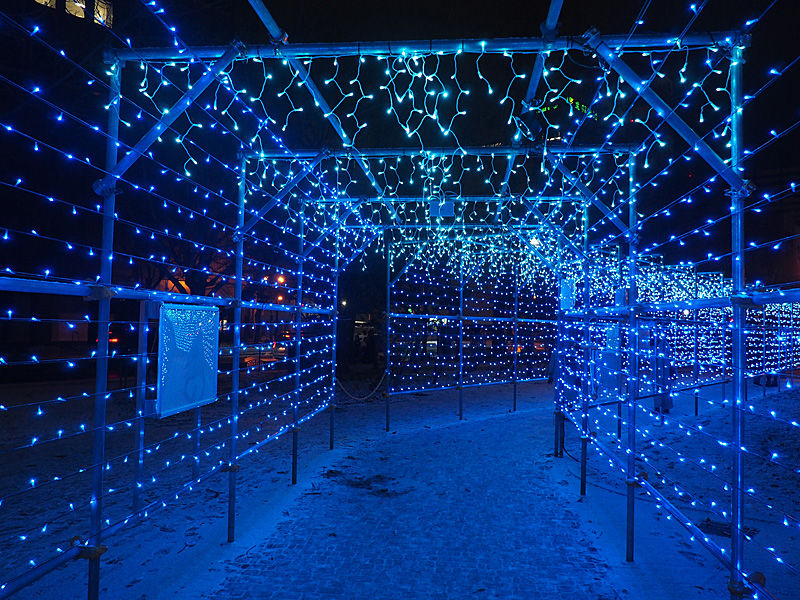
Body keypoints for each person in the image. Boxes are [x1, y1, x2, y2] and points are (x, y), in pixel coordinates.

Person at [654, 333, 674, 416]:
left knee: (661, 389)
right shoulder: (664, 346)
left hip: (663, 372)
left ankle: (661, 407)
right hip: (662, 372)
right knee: (663, 389)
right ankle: (663, 407)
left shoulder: (661, 347)